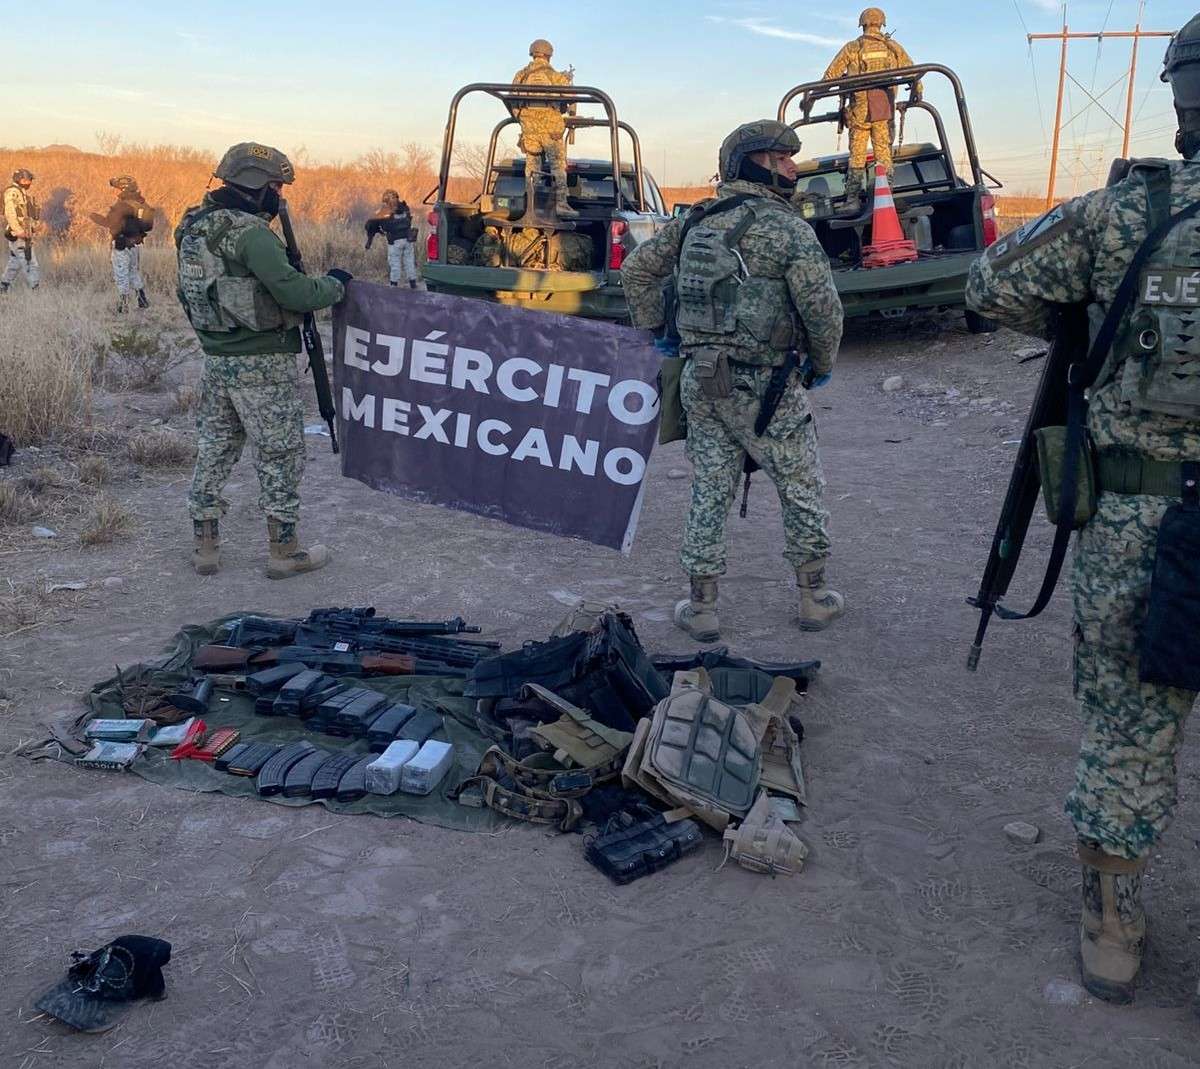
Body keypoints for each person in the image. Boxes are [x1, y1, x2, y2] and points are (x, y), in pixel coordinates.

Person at [965, 15, 1200, 1006]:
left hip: (1142, 525)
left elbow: (987, 284)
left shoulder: (1121, 214)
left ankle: (1111, 915)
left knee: (1127, 721)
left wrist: (1093, 309)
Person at [622, 121, 846, 640]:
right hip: (769, 387)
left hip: (703, 380)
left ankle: (701, 607)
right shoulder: (788, 229)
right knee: (799, 483)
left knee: (710, 487)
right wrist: (821, 361)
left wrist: (658, 334)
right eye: (782, 158)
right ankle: (813, 597)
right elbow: (822, 310)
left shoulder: (695, 221)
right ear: (755, 162)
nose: (793, 167)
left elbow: (637, 270)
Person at [174, 142, 347, 580]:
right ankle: (284, 552)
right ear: (256, 186)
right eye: (275, 186)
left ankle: (205, 547)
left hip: (216, 359)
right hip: (262, 363)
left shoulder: (193, 227)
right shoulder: (250, 234)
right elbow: (296, 293)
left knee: (214, 449)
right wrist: (335, 284)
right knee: (280, 454)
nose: (279, 196)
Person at [823, 8, 917, 202]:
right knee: (884, 156)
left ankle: (852, 200)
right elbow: (913, 72)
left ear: (862, 23)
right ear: (882, 23)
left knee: (856, 158)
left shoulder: (852, 48)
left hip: (859, 114)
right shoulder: (892, 47)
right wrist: (917, 91)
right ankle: (886, 198)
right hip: (884, 112)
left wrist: (811, 97)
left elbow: (829, 76)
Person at [512, 38, 577, 219]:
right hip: (552, 132)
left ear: (532, 53)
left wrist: (523, 119)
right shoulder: (556, 76)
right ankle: (561, 205)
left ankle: (531, 206)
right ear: (549, 55)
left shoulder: (521, 75)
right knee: (557, 166)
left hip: (530, 132)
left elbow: (512, 102)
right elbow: (570, 99)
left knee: (531, 166)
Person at [89, 175, 153, 312]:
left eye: (117, 187)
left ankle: (123, 306)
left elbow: (109, 223)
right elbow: (148, 226)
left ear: (123, 188)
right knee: (134, 272)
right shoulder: (142, 204)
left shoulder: (122, 206)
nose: (116, 190)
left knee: (121, 275)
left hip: (121, 246)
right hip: (135, 245)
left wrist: (93, 216)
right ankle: (142, 300)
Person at [364, 190, 417, 288]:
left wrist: (371, 239)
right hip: (408, 240)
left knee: (395, 263)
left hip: (394, 241)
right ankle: (413, 283)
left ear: (386, 200)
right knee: (409, 262)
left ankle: (393, 285)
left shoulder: (385, 210)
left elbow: (370, 224)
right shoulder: (405, 207)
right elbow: (409, 221)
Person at [1, 168, 40, 292]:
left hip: (24, 232)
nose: (29, 182)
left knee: (15, 262)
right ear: (20, 179)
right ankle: (36, 290)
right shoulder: (12, 192)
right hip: (19, 234)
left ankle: (3, 287)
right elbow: (10, 212)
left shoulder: (21, 192)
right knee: (30, 262)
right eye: (28, 180)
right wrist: (18, 230)